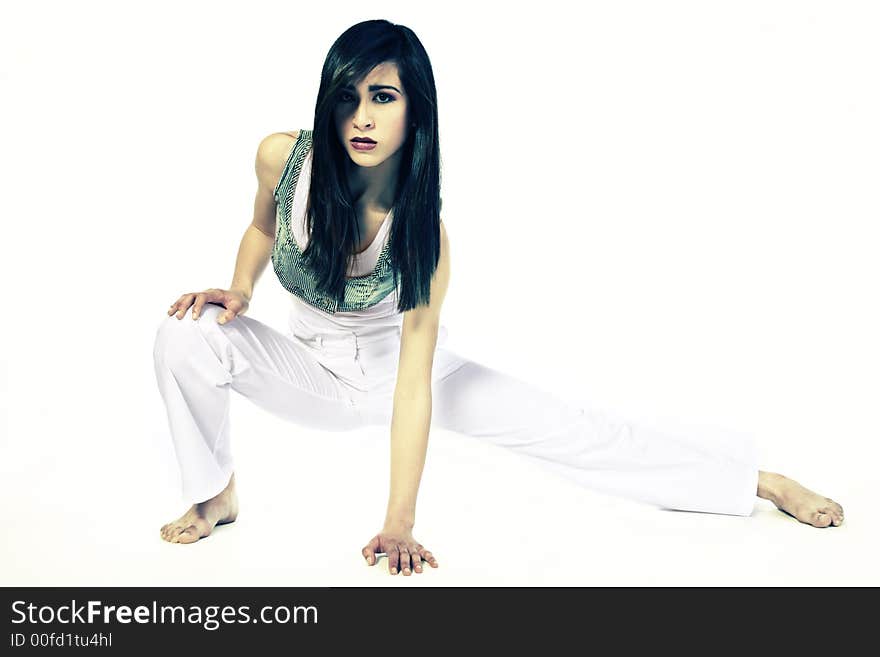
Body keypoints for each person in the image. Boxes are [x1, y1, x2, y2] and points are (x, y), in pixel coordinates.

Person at [152, 19, 844, 576]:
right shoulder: (284, 157)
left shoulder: (425, 236)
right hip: (310, 372)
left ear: (415, 113)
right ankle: (216, 493)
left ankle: (756, 481)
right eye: (347, 96)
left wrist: (400, 521)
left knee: (578, 429)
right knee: (187, 330)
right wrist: (239, 290)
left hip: (405, 374)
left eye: (383, 98)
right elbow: (261, 225)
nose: (360, 117)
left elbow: (416, 384)